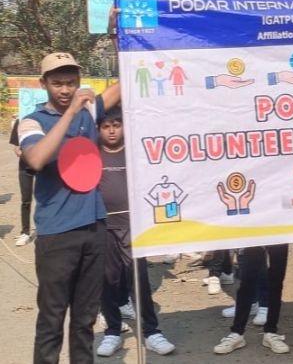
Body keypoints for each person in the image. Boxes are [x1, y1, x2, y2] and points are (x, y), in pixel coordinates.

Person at [18, 52, 120, 364]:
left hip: (94, 227)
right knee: (52, 320)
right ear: (43, 84)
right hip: (57, 233)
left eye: (71, 83)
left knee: (85, 320)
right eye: (58, 83)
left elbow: (124, 84)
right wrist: (72, 112)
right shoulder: (32, 121)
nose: (65, 90)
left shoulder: (89, 110)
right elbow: (36, 159)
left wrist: (122, 38)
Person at [95, 108, 175, 357]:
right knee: (107, 281)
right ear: (98, 129)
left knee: (138, 279)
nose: (111, 130)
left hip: (133, 227)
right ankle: (112, 332)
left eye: (116, 125)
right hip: (103, 227)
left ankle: (152, 332)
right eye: (106, 126)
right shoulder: (92, 154)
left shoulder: (135, 153)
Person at [214, 194, 293, 356]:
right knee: (247, 282)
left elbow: (284, 192)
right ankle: (237, 333)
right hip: (253, 226)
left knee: (276, 281)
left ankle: (271, 332)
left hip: (278, 225)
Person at [9, 118, 35, 246]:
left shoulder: (45, 118)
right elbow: (16, 148)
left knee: (46, 199)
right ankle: (25, 232)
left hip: (44, 167)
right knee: (26, 200)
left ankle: (48, 230)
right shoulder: (21, 120)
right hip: (25, 167)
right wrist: (28, 157)